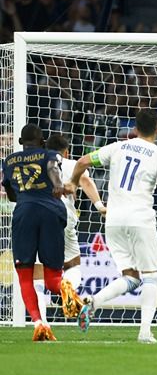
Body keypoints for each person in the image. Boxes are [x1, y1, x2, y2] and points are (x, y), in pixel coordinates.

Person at [68, 108, 157, 343]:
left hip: (113, 220)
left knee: (131, 277)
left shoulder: (117, 147)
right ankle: (144, 332)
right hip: (140, 219)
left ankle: (94, 303)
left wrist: (73, 182)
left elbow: (82, 161)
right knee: (151, 275)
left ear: (134, 128)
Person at [1, 124, 82, 341]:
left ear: (20, 142)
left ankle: (38, 324)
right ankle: (65, 286)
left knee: (25, 274)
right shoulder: (50, 154)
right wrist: (57, 186)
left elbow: (11, 195)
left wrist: (27, 193)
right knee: (53, 276)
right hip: (51, 212)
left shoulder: (8, 162)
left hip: (24, 215)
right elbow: (53, 168)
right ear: (43, 141)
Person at [32, 134, 107, 326]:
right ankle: (68, 286)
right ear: (66, 152)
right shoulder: (72, 164)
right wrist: (99, 206)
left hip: (36, 215)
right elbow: (86, 182)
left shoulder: (35, 163)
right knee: (73, 264)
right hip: (63, 215)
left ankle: (42, 324)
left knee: (38, 271)